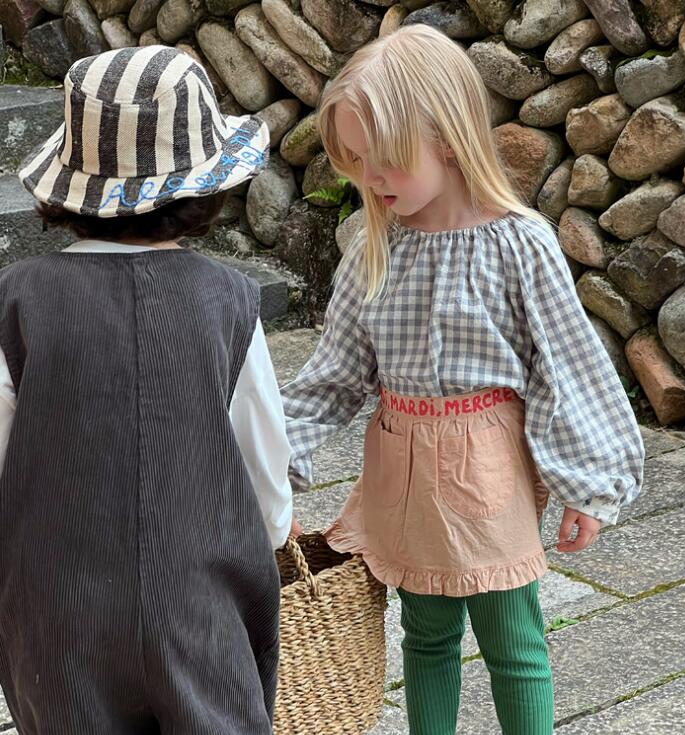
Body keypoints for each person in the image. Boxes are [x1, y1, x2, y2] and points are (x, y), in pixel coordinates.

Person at [281, 24, 645, 735]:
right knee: (425, 634)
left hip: (487, 472)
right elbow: (334, 375)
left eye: (383, 160)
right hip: (402, 475)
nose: (369, 180)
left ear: (447, 138)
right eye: (355, 161)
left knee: (512, 637)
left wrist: (589, 482)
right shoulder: (374, 250)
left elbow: (567, 366)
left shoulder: (519, 244)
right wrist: (274, 457)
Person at [0, 45, 292, 734]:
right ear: (203, 189)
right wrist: (277, 525)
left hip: (58, 613)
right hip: (199, 603)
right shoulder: (229, 301)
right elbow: (261, 456)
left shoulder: (17, 300)